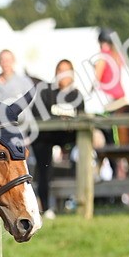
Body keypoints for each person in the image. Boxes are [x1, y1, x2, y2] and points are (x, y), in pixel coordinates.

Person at [29, 59, 86, 217]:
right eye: (60, 71)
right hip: (45, 138)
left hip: (68, 139)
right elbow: (37, 116)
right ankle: (46, 207)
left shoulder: (77, 96)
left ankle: (79, 201)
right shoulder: (46, 92)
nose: (63, 75)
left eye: (66, 71)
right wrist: (59, 119)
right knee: (44, 168)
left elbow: (82, 120)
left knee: (82, 155)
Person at [94, 28, 126, 111]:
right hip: (120, 95)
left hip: (108, 98)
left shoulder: (103, 56)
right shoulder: (117, 55)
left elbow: (97, 77)